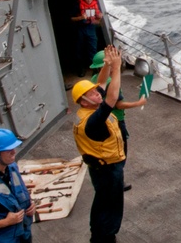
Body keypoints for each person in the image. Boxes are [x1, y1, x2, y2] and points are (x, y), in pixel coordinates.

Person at [73, 45, 126, 243]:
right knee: (111, 206)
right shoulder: (94, 120)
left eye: (96, 91)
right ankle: (105, 237)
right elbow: (112, 97)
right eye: (93, 94)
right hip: (108, 169)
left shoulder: (87, 109)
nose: (98, 93)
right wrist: (117, 68)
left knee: (102, 202)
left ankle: (98, 233)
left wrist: (106, 65)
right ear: (84, 101)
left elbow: (102, 82)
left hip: (99, 167)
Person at [89, 51, 147, 159]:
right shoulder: (112, 82)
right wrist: (138, 103)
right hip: (115, 119)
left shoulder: (95, 78)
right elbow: (119, 105)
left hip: (102, 117)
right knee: (121, 150)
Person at [72, 0, 103, 77]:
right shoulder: (78, 5)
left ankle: (95, 69)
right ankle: (80, 68)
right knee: (79, 49)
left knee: (93, 49)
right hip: (80, 28)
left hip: (91, 28)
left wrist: (99, 19)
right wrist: (81, 17)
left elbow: (98, 20)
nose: (89, 0)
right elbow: (71, 18)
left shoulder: (96, 4)